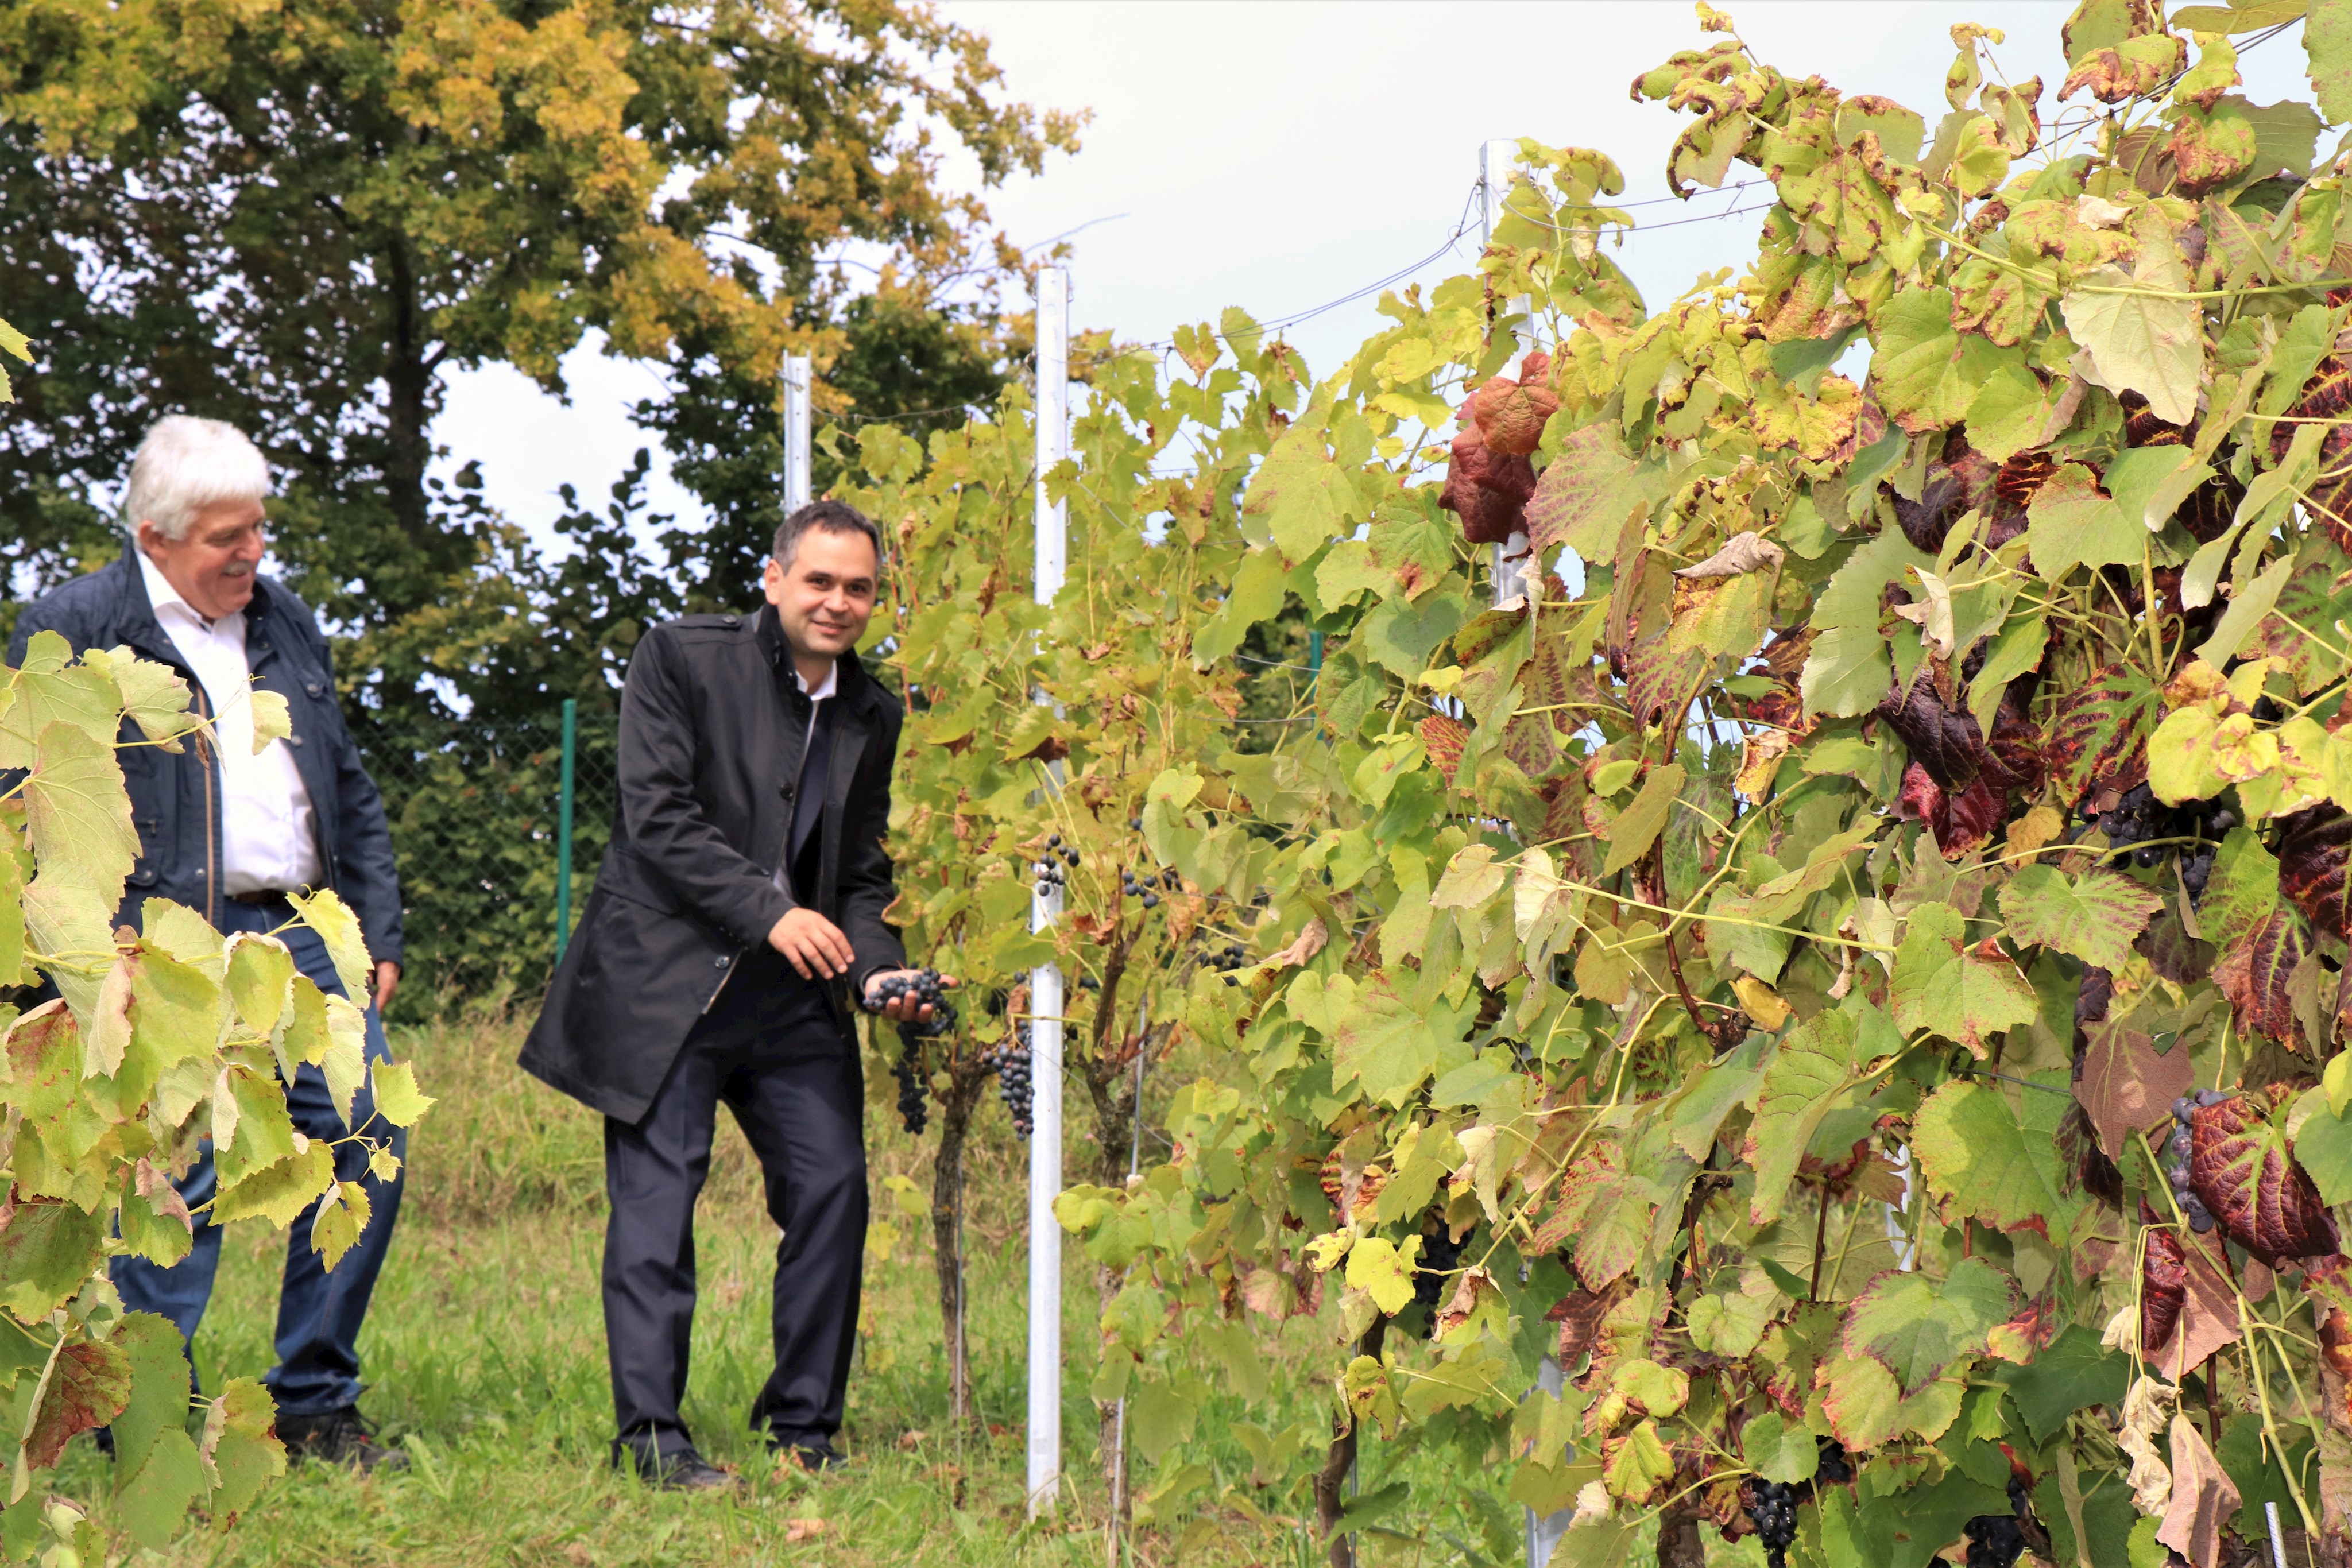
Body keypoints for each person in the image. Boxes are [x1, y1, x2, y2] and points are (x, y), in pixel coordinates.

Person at [6, 415, 409, 1472]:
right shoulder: (75, 628)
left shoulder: (283, 619)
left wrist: (377, 934)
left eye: (260, 531)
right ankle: (151, 1409)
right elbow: (29, 798)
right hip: (163, 936)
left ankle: (317, 1398)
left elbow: (348, 789)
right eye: (228, 537)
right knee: (179, 1169)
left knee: (367, 1134)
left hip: (305, 931)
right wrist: (92, 955)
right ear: (155, 535)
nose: (251, 555)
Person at [522, 498, 942, 1489]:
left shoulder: (873, 712)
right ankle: (655, 1443)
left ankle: (803, 1428)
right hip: (669, 988)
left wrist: (878, 967)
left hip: (792, 1002)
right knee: (658, 1212)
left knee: (834, 1187)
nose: (839, 604)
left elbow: (861, 874)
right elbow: (657, 820)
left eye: (860, 589)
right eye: (821, 582)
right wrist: (772, 911)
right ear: (775, 579)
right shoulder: (680, 658)